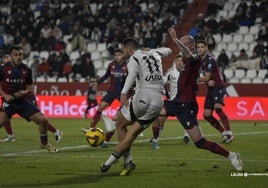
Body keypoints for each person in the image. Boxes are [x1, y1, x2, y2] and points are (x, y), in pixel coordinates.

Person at [149, 29, 242, 172]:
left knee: (200, 142)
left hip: (187, 107)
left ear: (190, 46)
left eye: (184, 44)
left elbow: (187, 53)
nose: (181, 46)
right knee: (151, 109)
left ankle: (231, 155)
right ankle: (132, 144)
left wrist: (175, 40)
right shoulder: (185, 62)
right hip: (176, 102)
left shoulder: (195, 59)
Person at [100, 37, 172, 175]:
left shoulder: (134, 57)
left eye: (123, 50)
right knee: (132, 134)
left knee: (120, 124)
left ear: (129, 49)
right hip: (158, 101)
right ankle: (114, 163)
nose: (123, 53)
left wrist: (123, 93)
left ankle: (125, 161)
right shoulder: (156, 53)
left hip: (143, 96)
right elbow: (168, 50)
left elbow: (131, 75)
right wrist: (152, 50)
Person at [0, 46, 57, 153]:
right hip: (8, 102)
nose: (18, 57)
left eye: (20, 54)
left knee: (43, 120)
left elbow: (30, 86)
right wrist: (5, 95)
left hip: (22, 102)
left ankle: (44, 144)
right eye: (16, 55)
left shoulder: (26, 70)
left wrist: (24, 92)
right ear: (11, 56)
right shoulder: (3, 69)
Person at [81, 49, 128, 148]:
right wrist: (97, 82)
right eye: (116, 55)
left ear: (123, 55)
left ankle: (108, 140)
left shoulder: (127, 66)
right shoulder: (111, 65)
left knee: (118, 117)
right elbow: (106, 76)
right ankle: (91, 128)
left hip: (122, 93)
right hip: (111, 91)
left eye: (119, 55)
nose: (117, 57)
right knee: (101, 106)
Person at [196, 40, 234, 144]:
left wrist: (195, 79)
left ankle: (229, 132)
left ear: (206, 48)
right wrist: (207, 80)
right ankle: (223, 132)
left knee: (218, 108)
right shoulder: (199, 61)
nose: (200, 49)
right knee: (206, 115)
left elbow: (206, 77)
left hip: (218, 87)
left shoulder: (210, 60)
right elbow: (205, 77)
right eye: (198, 47)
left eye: (202, 47)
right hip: (211, 89)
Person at [150, 54, 190, 150]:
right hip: (172, 101)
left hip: (184, 102)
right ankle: (155, 139)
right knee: (159, 118)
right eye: (178, 61)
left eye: (181, 61)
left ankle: (187, 136)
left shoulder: (187, 73)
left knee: (188, 120)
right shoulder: (171, 73)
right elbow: (161, 83)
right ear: (175, 62)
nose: (180, 63)